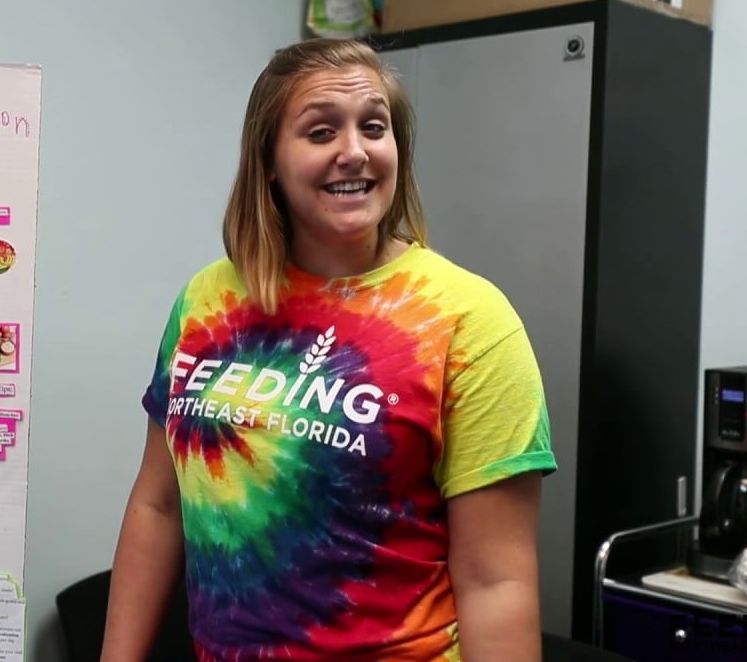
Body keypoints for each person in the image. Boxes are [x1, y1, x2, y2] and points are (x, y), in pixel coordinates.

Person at [101, 37, 558, 662]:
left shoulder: (469, 321)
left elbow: (495, 581)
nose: (354, 152)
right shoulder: (206, 302)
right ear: (269, 161)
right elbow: (158, 505)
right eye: (321, 133)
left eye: (375, 126)